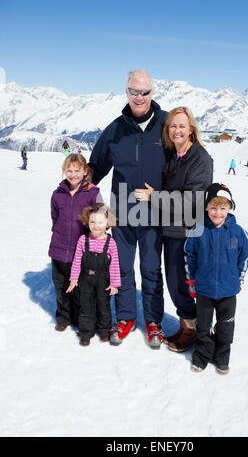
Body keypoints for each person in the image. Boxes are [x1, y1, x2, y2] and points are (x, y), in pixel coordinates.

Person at [89, 69, 167, 349]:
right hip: (122, 210)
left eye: (144, 91)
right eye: (134, 91)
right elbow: (95, 167)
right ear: (127, 92)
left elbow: (187, 158)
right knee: (121, 268)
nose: (139, 97)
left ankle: (154, 321)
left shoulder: (167, 124)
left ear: (152, 93)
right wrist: (75, 187)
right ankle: (125, 318)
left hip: (154, 211)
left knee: (150, 268)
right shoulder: (115, 129)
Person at [135, 107, 213, 352]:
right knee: (174, 282)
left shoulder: (200, 158)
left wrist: (155, 197)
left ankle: (193, 331)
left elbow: (192, 202)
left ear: (191, 128)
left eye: (182, 125)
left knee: (183, 283)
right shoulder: (172, 155)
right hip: (170, 230)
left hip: (188, 233)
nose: (177, 130)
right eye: (173, 126)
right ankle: (185, 325)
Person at [184, 183, 248, 374]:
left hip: (228, 290)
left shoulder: (237, 232)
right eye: (213, 207)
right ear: (206, 207)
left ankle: (222, 357)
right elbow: (190, 257)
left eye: (223, 208)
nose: (217, 213)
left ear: (230, 208)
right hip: (204, 289)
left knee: (225, 327)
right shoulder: (198, 230)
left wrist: (239, 279)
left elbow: (244, 257)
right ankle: (202, 356)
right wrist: (192, 282)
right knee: (203, 327)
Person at [49, 153, 102, 332]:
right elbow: (54, 218)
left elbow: (100, 219)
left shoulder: (93, 193)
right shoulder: (57, 195)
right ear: (65, 171)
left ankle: (82, 318)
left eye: (77, 170)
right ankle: (64, 316)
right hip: (58, 248)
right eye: (69, 171)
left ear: (85, 171)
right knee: (61, 284)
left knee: (81, 287)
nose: (73, 174)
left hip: (81, 250)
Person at [66, 204, 121, 346]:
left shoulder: (111, 243)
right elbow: (77, 261)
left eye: (100, 222)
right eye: (92, 222)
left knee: (104, 306)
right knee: (86, 307)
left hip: (103, 280)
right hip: (85, 280)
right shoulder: (83, 240)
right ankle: (86, 333)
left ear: (107, 223)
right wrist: (73, 279)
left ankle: (104, 330)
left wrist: (114, 284)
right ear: (87, 222)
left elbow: (114, 264)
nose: (96, 225)